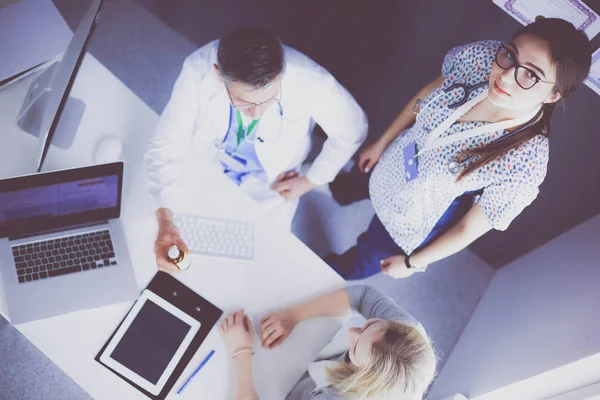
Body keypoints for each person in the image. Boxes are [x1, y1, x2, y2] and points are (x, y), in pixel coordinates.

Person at [326, 17, 592, 280]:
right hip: (395, 158)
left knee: (358, 264)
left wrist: (410, 263)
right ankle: (332, 190)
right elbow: (430, 91)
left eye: (530, 75)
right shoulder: (485, 57)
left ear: (554, 95)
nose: (506, 76)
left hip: (414, 211)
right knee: (348, 185)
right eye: (511, 55)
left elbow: (467, 228)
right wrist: (383, 141)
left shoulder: (526, 162)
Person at [144, 27, 368, 273]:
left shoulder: (311, 81)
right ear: (219, 74)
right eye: (244, 102)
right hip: (209, 166)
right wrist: (165, 219)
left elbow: (353, 129)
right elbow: (166, 144)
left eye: (268, 100)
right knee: (169, 241)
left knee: (260, 262)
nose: (256, 114)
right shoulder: (198, 69)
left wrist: (312, 180)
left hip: (272, 183)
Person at [219, 285, 436, 399]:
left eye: (355, 350)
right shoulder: (407, 333)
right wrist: (294, 315)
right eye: (369, 324)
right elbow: (363, 295)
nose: (352, 329)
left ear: (362, 377)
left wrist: (241, 350)